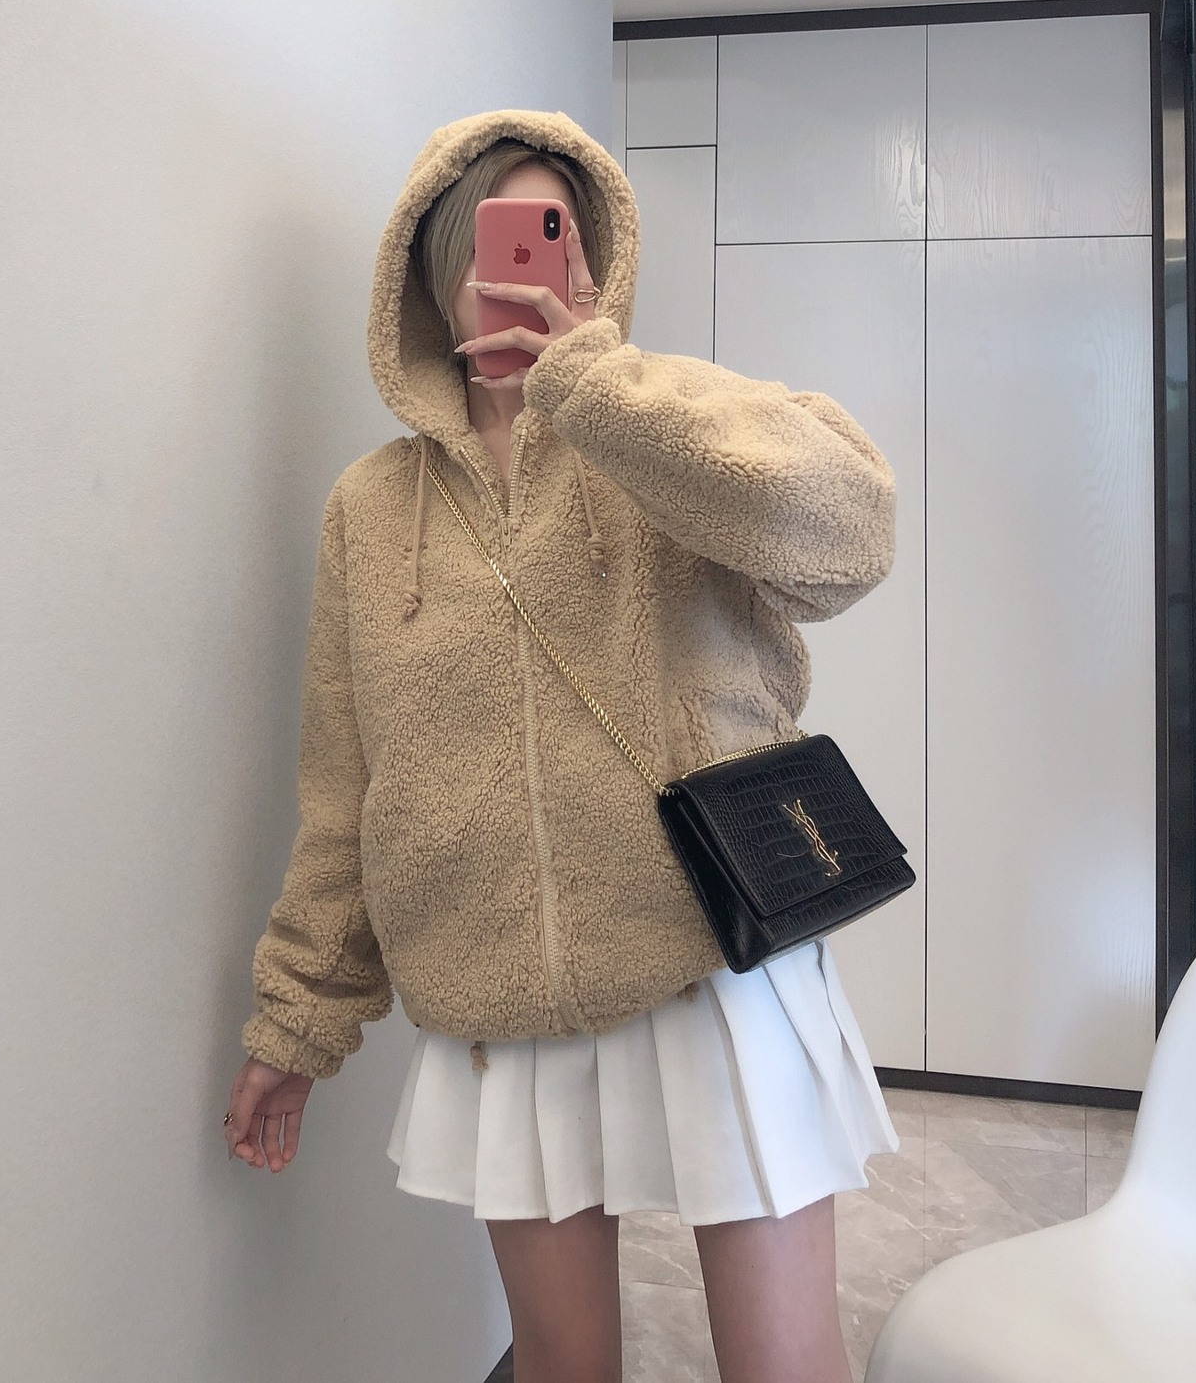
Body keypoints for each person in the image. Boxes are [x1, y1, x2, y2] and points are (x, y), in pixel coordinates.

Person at [224, 108, 901, 1383]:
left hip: (713, 963)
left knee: (782, 1362)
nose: (522, 271)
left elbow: (849, 531)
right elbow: (347, 786)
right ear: (435, 274)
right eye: (495, 242)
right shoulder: (370, 509)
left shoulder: (670, 424)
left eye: (554, 237)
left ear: (593, 260)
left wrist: (596, 383)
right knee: (562, 1362)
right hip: (502, 1002)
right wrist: (297, 1018)